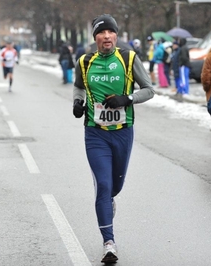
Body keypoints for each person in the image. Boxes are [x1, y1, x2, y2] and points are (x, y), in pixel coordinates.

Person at [72, 14, 154, 263]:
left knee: (115, 186)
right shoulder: (85, 62)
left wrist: (127, 99)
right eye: (101, 32)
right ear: (95, 37)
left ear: (116, 36)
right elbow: (78, 86)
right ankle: (109, 242)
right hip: (95, 133)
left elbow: (149, 90)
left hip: (122, 132)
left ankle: (109, 201)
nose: (106, 36)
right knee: (103, 185)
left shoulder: (128, 58)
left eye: (110, 32)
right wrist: (78, 102)